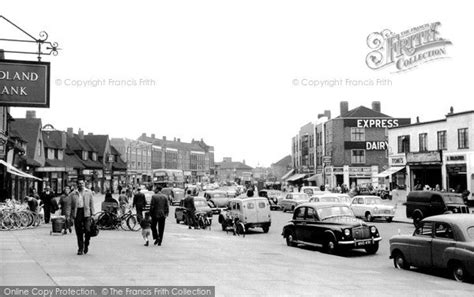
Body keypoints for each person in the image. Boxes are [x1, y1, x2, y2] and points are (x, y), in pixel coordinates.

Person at [69, 179, 95, 255]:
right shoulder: (73, 193)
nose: (81, 184)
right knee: (79, 231)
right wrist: (69, 215)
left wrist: (93, 213)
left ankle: (86, 244)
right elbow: (70, 205)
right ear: (77, 185)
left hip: (87, 212)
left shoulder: (89, 192)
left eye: (82, 183)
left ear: (84, 184)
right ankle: (80, 248)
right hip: (77, 213)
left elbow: (92, 203)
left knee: (88, 230)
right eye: (79, 183)